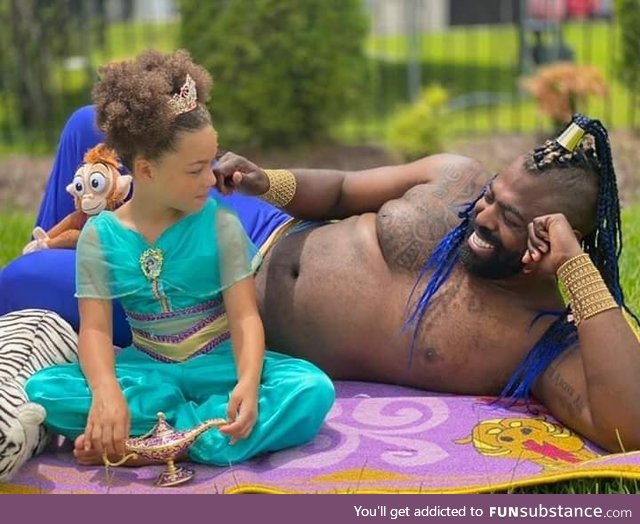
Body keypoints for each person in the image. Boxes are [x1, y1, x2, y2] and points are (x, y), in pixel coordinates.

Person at [1, 104, 638, 454]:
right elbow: (339, 189)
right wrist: (265, 181)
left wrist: (579, 277)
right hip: (251, 224)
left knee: (23, 279)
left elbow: (626, 426)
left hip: (208, 305)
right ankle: (65, 240)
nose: (484, 214)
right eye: (494, 195)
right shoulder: (457, 179)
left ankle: (49, 280)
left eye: (509, 218)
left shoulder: (542, 341)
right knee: (92, 126)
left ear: (556, 241)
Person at [20, 49, 335, 466]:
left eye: (212, 163)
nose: (212, 179)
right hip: (147, 371)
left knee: (310, 389)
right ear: (146, 171)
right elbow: (94, 332)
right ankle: (197, 434)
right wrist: (107, 393)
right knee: (46, 389)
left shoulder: (219, 223)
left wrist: (247, 380)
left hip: (220, 368)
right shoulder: (100, 236)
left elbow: (244, 318)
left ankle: (144, 443)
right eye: (195, 169)